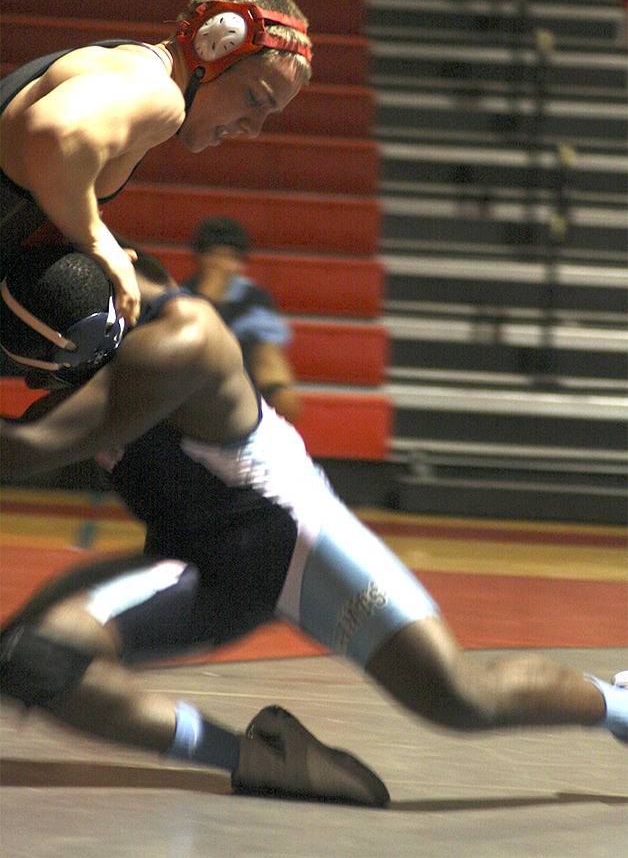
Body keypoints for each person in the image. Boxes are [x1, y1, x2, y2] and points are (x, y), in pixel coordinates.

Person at [0, 248, 625, 809]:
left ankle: (620, 706)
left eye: (38, 369)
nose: (30, 384)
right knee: (30, 658)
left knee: (463, 699)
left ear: (83, 348)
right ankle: (255, 758)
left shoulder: (181, 342)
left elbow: (27, 448)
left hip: (297, 545)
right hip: (200, 565)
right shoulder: (103, 292)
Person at [0, 0, 313, 331]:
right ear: (211, 48)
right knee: (187, 340)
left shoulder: (124, 63)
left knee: (156, 299)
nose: (253, 129)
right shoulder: (155, 90)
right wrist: (95, 238)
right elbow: (54, 134)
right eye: (254, 98)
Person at [185, 215, 300, 422]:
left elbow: (269, 345)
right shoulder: (183, 294)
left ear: (239, 263)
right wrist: (208, 297)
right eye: (214, 256)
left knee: (268, 356)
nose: (221, 264)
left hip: (244, 376)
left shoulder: (254, 297)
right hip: (193, 376)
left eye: (229, 257)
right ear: (200, 258)